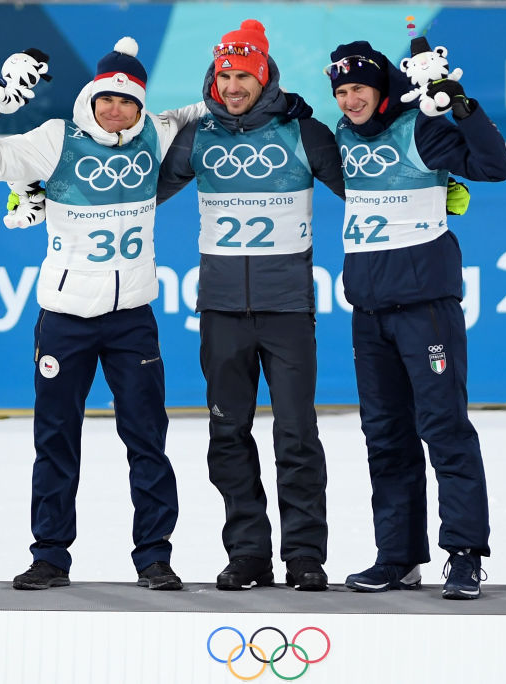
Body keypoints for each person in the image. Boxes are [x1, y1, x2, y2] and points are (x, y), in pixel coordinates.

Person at [0, 38, 205, 591]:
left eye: (128, 101)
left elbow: (204, 107)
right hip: (66, 319)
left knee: (147, 440)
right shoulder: (56, 140)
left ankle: (154, 557)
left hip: (131, 319)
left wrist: (263, 89)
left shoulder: (154, 134)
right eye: (106, 98)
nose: (116, 109)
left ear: (141, 106)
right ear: (91, 97)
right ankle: (49, 555)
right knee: (56, 438)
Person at [157, 19, 346, 591]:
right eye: (224, 74)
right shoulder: (198, 136)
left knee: (296, 435)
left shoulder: (303, 133)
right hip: (220, 313)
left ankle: (305, 556)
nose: (232, 84)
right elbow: (138, 191)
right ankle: (248, 555)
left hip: (287, 310)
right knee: (227, 435)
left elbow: (365, 185)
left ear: (262, 74)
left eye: (243, 74)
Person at [324, 38, 506, 599]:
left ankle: (463, 553)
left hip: (425, 308)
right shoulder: (339, 135)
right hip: (369, 312)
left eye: (358, 88)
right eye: (340, 91)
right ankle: (398, 556)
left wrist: (463, 107)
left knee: (444, 429)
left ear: (381, 87)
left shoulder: (420, 128)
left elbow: (494, 166)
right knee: (384, 437)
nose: (350, 99)